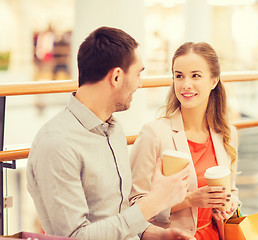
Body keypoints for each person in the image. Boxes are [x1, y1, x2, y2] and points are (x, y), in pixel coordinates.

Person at [26, 26, 195, 240]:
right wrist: (154, 203)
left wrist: (155, 234)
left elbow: (118, 215)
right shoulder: (57, 144)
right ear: (116, 76)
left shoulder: (114, 130)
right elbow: (75, 237)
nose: (140, 84)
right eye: (137, 74)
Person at [129, 42, 240, 240]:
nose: (185, 84)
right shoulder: (154, 134)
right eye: (179, 76)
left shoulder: (227, 134)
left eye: (195, 75)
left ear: (214, 80)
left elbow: (231, 190)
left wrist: (229, 205)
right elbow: (134, 206)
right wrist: (189, 200)